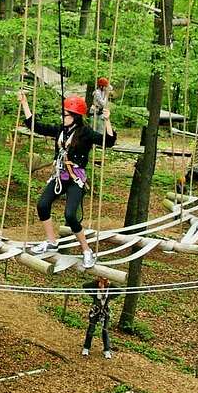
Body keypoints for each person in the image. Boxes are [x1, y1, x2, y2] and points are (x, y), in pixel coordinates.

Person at [18, 89, 117, 269]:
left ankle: (86, 250)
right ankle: (51, 241)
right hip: (59, 176)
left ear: (75, 116)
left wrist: (107, 120)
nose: (63, 117)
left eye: (66, 115)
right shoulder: (60, 130)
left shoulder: (85, 133)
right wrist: (24, 103)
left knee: (70, 215)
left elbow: (108, 142)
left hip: (75, 177)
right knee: (42, 205)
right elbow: (35, 126)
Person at [82, 275, 115, 359]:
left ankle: (107, 350)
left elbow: (120, 290)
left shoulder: (110, 288)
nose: (102, 282)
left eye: (104, 280)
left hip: (105, 312)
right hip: (95, 311)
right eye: (101, 279)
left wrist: (109, 283)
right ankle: (86, 348)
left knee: (105, 331)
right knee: (91, 329)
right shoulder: (94, 287)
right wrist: (96, 282)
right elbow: (84, 286)